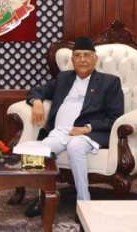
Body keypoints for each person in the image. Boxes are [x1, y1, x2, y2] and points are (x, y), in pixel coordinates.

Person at [23, 36, 124, 214]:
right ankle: (43, 199)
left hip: (87, 134)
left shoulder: (109, 82)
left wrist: (87, 128)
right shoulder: (64, 78)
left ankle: (84, 204)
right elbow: (37, 91)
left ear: (95, 59)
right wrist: (37, 102)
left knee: (75, 147)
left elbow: (115, 117)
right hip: (60, 132)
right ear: (72, 60)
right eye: (78, 55)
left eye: (87, 55)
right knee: (42, 149)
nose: (82, 59)